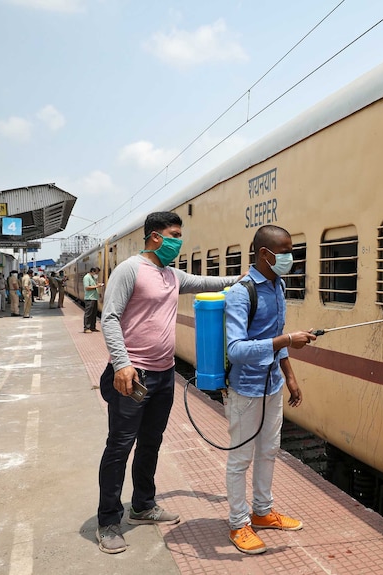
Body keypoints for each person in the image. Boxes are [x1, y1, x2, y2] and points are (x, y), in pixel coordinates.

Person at [96, 211, 243, 555]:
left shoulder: (171, 275)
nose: (179, 240)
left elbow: (207, 282)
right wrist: (122, 363)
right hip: (132, 375)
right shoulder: (130, 269)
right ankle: (108, 521)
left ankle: (143, 505)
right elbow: (110, 316)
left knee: (151, 442)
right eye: (174, 234)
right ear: (156, 237)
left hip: (163, 375)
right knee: (119, 447)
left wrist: (242, 278)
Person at [223, 224, 316, 555]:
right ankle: (238, 523)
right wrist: (287, 340)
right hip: (246, 391)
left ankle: (262, 512)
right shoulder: (240, 293)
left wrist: (289, 373)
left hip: (273, 385)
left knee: (268, 451)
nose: (290, 257)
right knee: (240, 459)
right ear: (265, 254)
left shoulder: (279, 285)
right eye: (286, 251)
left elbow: (275, 333)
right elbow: (236, 349)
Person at [83, 267, 102, 333]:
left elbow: (93, 286)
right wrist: (97, 286)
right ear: (93, 271)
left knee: (94, 314)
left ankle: (92, 327)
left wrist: (97, 287)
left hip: (94, 298)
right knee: (88, 314)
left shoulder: (93, 278)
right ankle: (86, 328)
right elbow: (87, 287)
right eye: (96, 272)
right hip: (89, 298)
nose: (97, 274)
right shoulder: (87, 277)